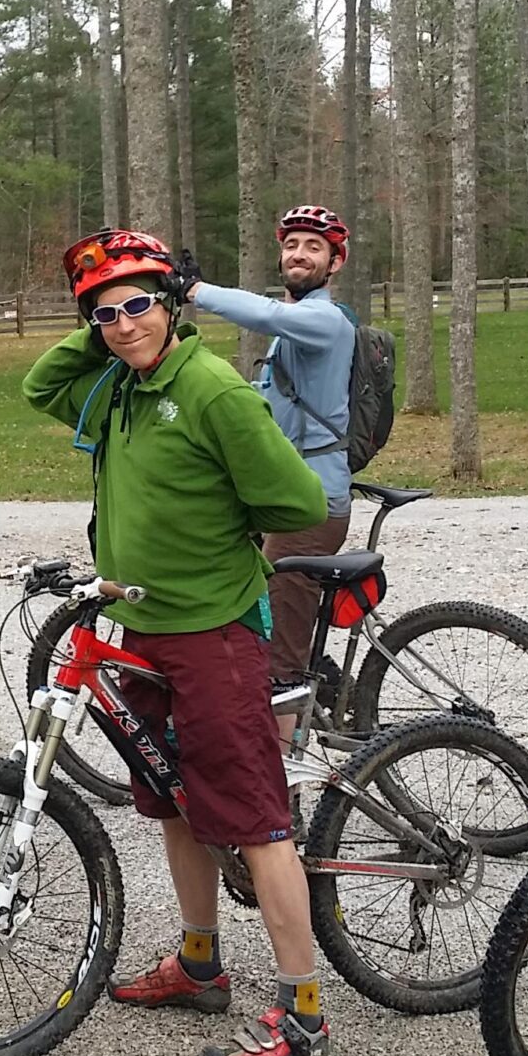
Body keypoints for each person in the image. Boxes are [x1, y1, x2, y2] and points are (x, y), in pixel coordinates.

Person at [22, 227, 336, 1056]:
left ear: (170, 305)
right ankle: (200, 963)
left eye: (138, 305)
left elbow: (295, 498)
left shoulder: (212, 389)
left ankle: (303, 1017)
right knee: (172, 803)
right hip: (148, 629)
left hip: (213, 633)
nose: (123, 324)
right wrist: (97, 320)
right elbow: (38, 385)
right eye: (104, 313)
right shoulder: (119, 384)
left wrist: (217, 544)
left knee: (258, 822)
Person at [179, 205, 358, 733]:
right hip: (286, 492)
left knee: (279, 673)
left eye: (314, 247)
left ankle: (285, 805)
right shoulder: (298, 329)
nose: (299, 254)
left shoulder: (324, 320)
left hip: (311, 505)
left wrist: (195, 292)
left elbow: (268, 316)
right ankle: (304, 672)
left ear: (335, 262)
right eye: (291, 245)